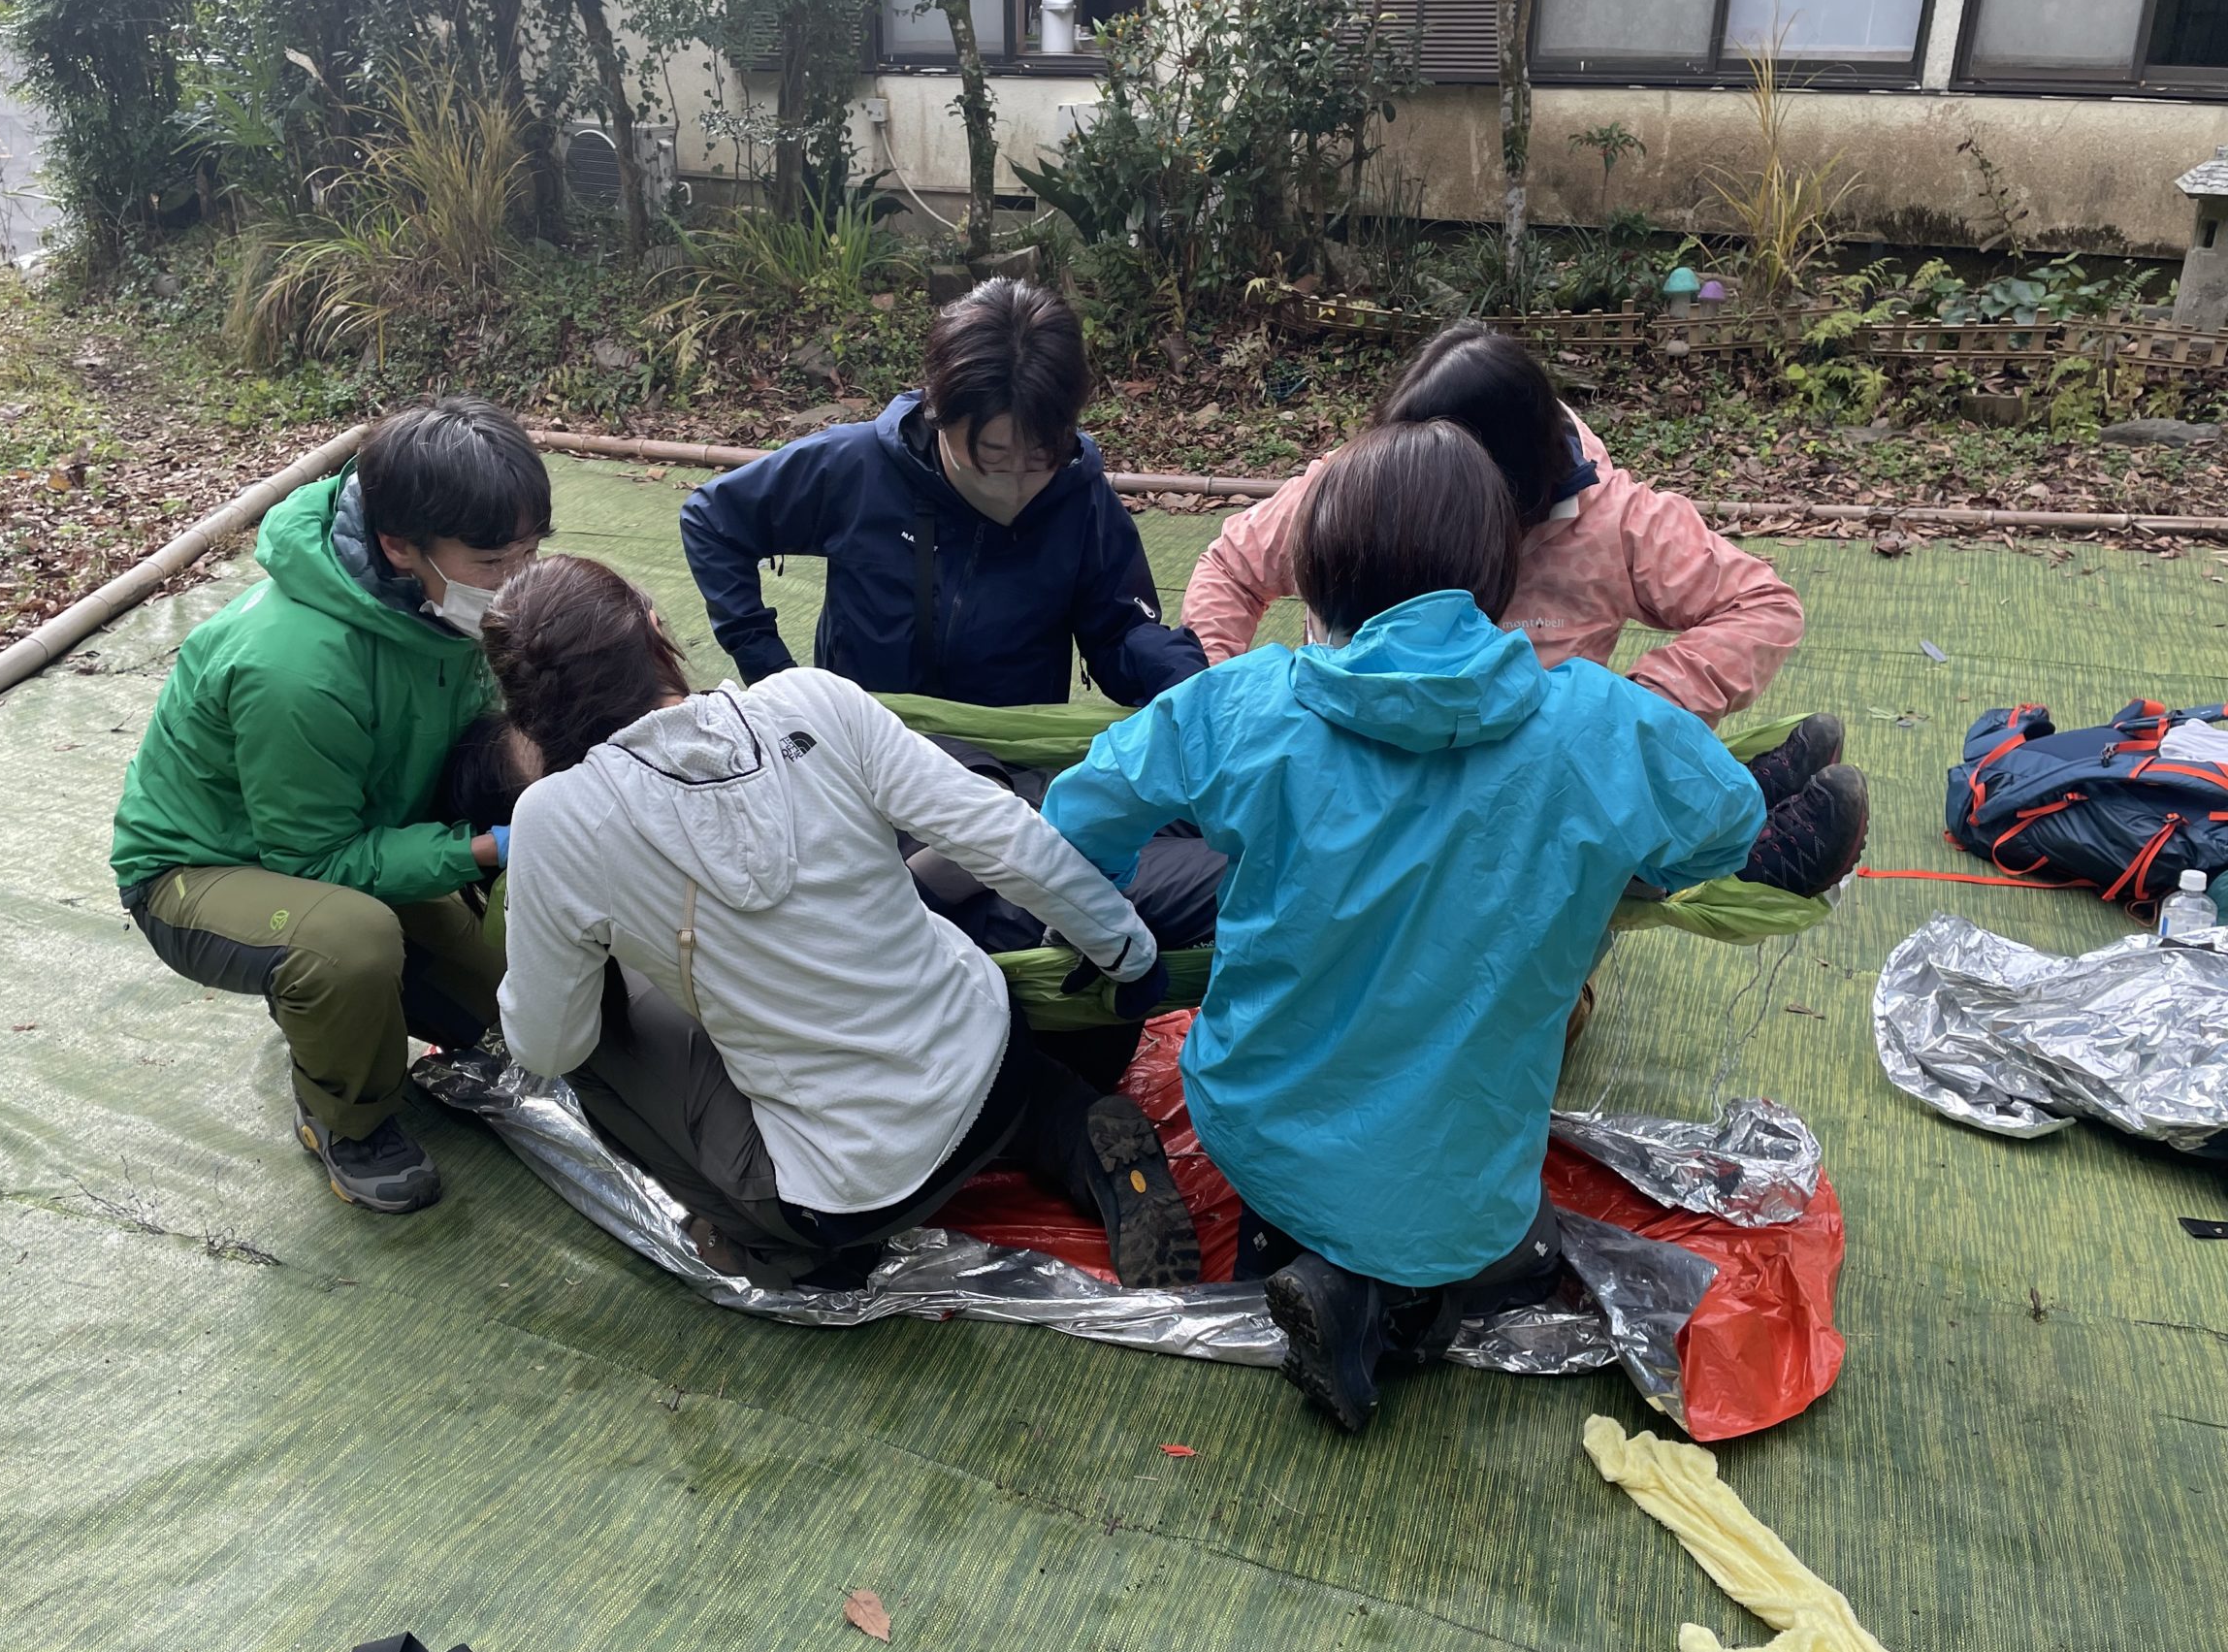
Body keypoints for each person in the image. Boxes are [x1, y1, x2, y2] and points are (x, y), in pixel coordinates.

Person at [1039, 421, 1772, 1433]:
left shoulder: (1244, 703)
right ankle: (1388, 1300)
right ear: (1497, 570)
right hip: (1461, 1183)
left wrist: (1112, 913)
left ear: (1319, 571)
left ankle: (1313, 1261)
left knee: (1325, 1173)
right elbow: (1729, 823)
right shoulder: (1599, 725)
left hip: (1252, 1122)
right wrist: (1613, 868)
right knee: (1518, 1253)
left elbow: (1078, 814)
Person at [484, 555, 1201, 1291]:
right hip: (1000, 1060)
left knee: (600, 1038)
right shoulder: (810, 698)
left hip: (853, 1195)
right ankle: (1066, 1124)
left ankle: (784, 1249)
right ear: (655, 630)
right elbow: (1002, 833)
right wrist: (1127, 952)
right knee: (912, 940)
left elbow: (546, 1043)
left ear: (527, 714)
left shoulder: (557, 819)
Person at [1179, 322, 1863, 895]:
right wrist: (1214, 701)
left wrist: (1645, 707)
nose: (1408, 510)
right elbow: (1231, 568)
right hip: (1354, 777)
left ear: (1510, 490)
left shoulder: (1611, 523)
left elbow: (1760, 604)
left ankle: (1728, 822)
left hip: (1525, 794)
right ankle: (1728, 851)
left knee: (1584, 772)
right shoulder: (1356, 489)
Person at [110, 397, 549, 1215]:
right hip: (204, 870)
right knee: (348, 945)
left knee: (507, 1010)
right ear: (398, 545)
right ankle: (347, 1122)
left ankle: (352, 1009)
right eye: (494, 561)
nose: (518, 580)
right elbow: (312, 860)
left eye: (531, 552)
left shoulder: (438, 602)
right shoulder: (296, 667)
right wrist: (487, 847)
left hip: (353, 830)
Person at [679, 277, 1207, 708]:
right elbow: (713, 521)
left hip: (1004, 767)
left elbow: (1120, 634)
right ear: (938, 412)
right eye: (992, 456)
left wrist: (1184, 680)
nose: (1015, 485)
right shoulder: (856, 466)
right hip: (863, 750)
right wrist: (772, 672)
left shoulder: (1079, 497)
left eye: (1039, 455)